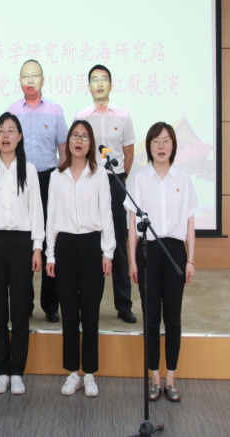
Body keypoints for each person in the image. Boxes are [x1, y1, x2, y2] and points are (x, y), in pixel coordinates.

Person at [125, 122, 197, 403]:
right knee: (151, 317)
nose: (161, 146)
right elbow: (132, 226)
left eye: (166, 141)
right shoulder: (140, 179)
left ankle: (171, 378)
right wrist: (132, 260)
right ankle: (154, 377)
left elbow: (190, 223)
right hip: (149, 252)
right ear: (149, 146)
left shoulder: (183, 178)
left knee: (173, 318)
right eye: (156, 141)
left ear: (173, 145)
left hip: (175, 252)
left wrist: (191, 260)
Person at [0, 112, 44, 395]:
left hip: (21, 244)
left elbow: (36, 210)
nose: (5, 135)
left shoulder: (30, 170)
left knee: (20, 311)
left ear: (20, 137)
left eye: (11, 130)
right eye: (1, 130)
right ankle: (2, 369)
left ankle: (18, 371)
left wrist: (37, 247)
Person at [45, 120, 114, 398]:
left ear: (90, 143)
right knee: (69, 311)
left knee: (90, 312)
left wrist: (108, 252)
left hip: (90, 245)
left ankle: (91, 373)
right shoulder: (56, 176)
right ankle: (73, 372)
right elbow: (51, 216)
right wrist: (50, 253)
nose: (79, 141)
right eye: (75, 136)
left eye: (84, 137)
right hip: (64, 245)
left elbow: (106, 214)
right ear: (68, 142)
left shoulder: (100, 175)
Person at [74, 64, 137, 324]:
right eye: (94, 80)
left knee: (119, 241)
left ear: (111, 84)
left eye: (104, 79)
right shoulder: (82, 117)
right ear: (88, 86)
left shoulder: (123, 116)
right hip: (89, 180)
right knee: (90, 241)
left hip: (114, 181)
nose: (99, 84)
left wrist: (120, 178)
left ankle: (124, 304)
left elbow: (129, 153)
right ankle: (86, 303)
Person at [6, 59, 67, 323]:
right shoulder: (11, 111)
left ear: (43, 79)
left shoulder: (55, 110)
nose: (30, 80)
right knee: (25, 240)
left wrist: (63, 183)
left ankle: (51, 304)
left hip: (49, 178)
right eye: (25, 76)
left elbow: (64, 150)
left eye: (35, 76)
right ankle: (25, 302)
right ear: (19, 80)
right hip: (20, 180)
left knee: (51, 237)